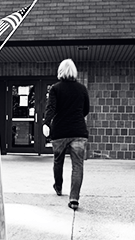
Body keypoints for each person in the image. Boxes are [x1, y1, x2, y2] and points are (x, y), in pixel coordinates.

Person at [43, 59, 90, 210]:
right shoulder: (82, 88)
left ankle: (58, 187)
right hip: (78, 131)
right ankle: (74, 198)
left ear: (60, 71)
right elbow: (86, 110)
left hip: (60, 131)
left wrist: (46, 123)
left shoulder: (55, 89)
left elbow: (51, 108)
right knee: (77, 165)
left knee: (58, 161)